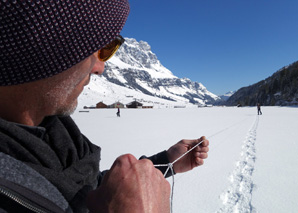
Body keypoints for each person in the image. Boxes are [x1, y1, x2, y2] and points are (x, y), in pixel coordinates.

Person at [0, 1, 209, 212]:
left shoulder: (59, 135)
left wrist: (165, 162)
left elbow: (83, 193)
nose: (101, 68)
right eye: (100, 48)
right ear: (50, 49)